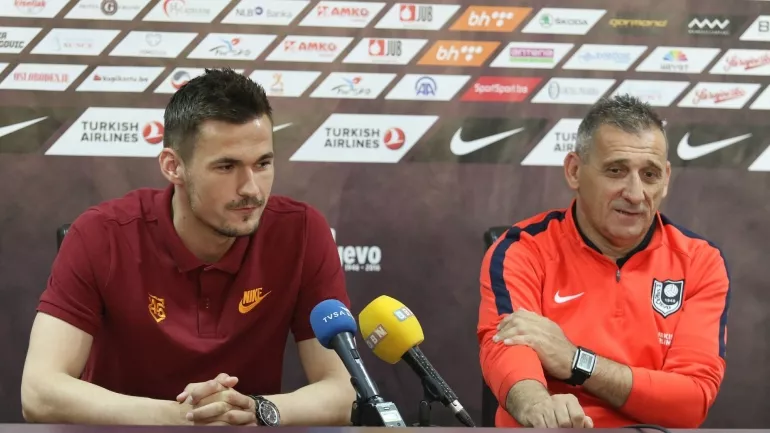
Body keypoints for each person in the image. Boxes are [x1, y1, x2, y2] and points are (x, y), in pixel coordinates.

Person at [21, 68, 355, 426]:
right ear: (173, 167)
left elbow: (345, 390)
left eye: (263, 164)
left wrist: (255, 410)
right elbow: (39, 392)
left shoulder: (301, 231)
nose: (251, 189)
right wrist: (180, 418)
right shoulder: (101, 234)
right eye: (226, 166)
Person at [477, 94, 730, 429]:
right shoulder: (523, 250)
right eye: (616, 171)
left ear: (666, 178)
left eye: (650, 175)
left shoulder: (699, 262)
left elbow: (690, 401)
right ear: (574, 171)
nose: (635, 194)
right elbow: (507, 349)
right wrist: (537, 407)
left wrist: (576, 361)